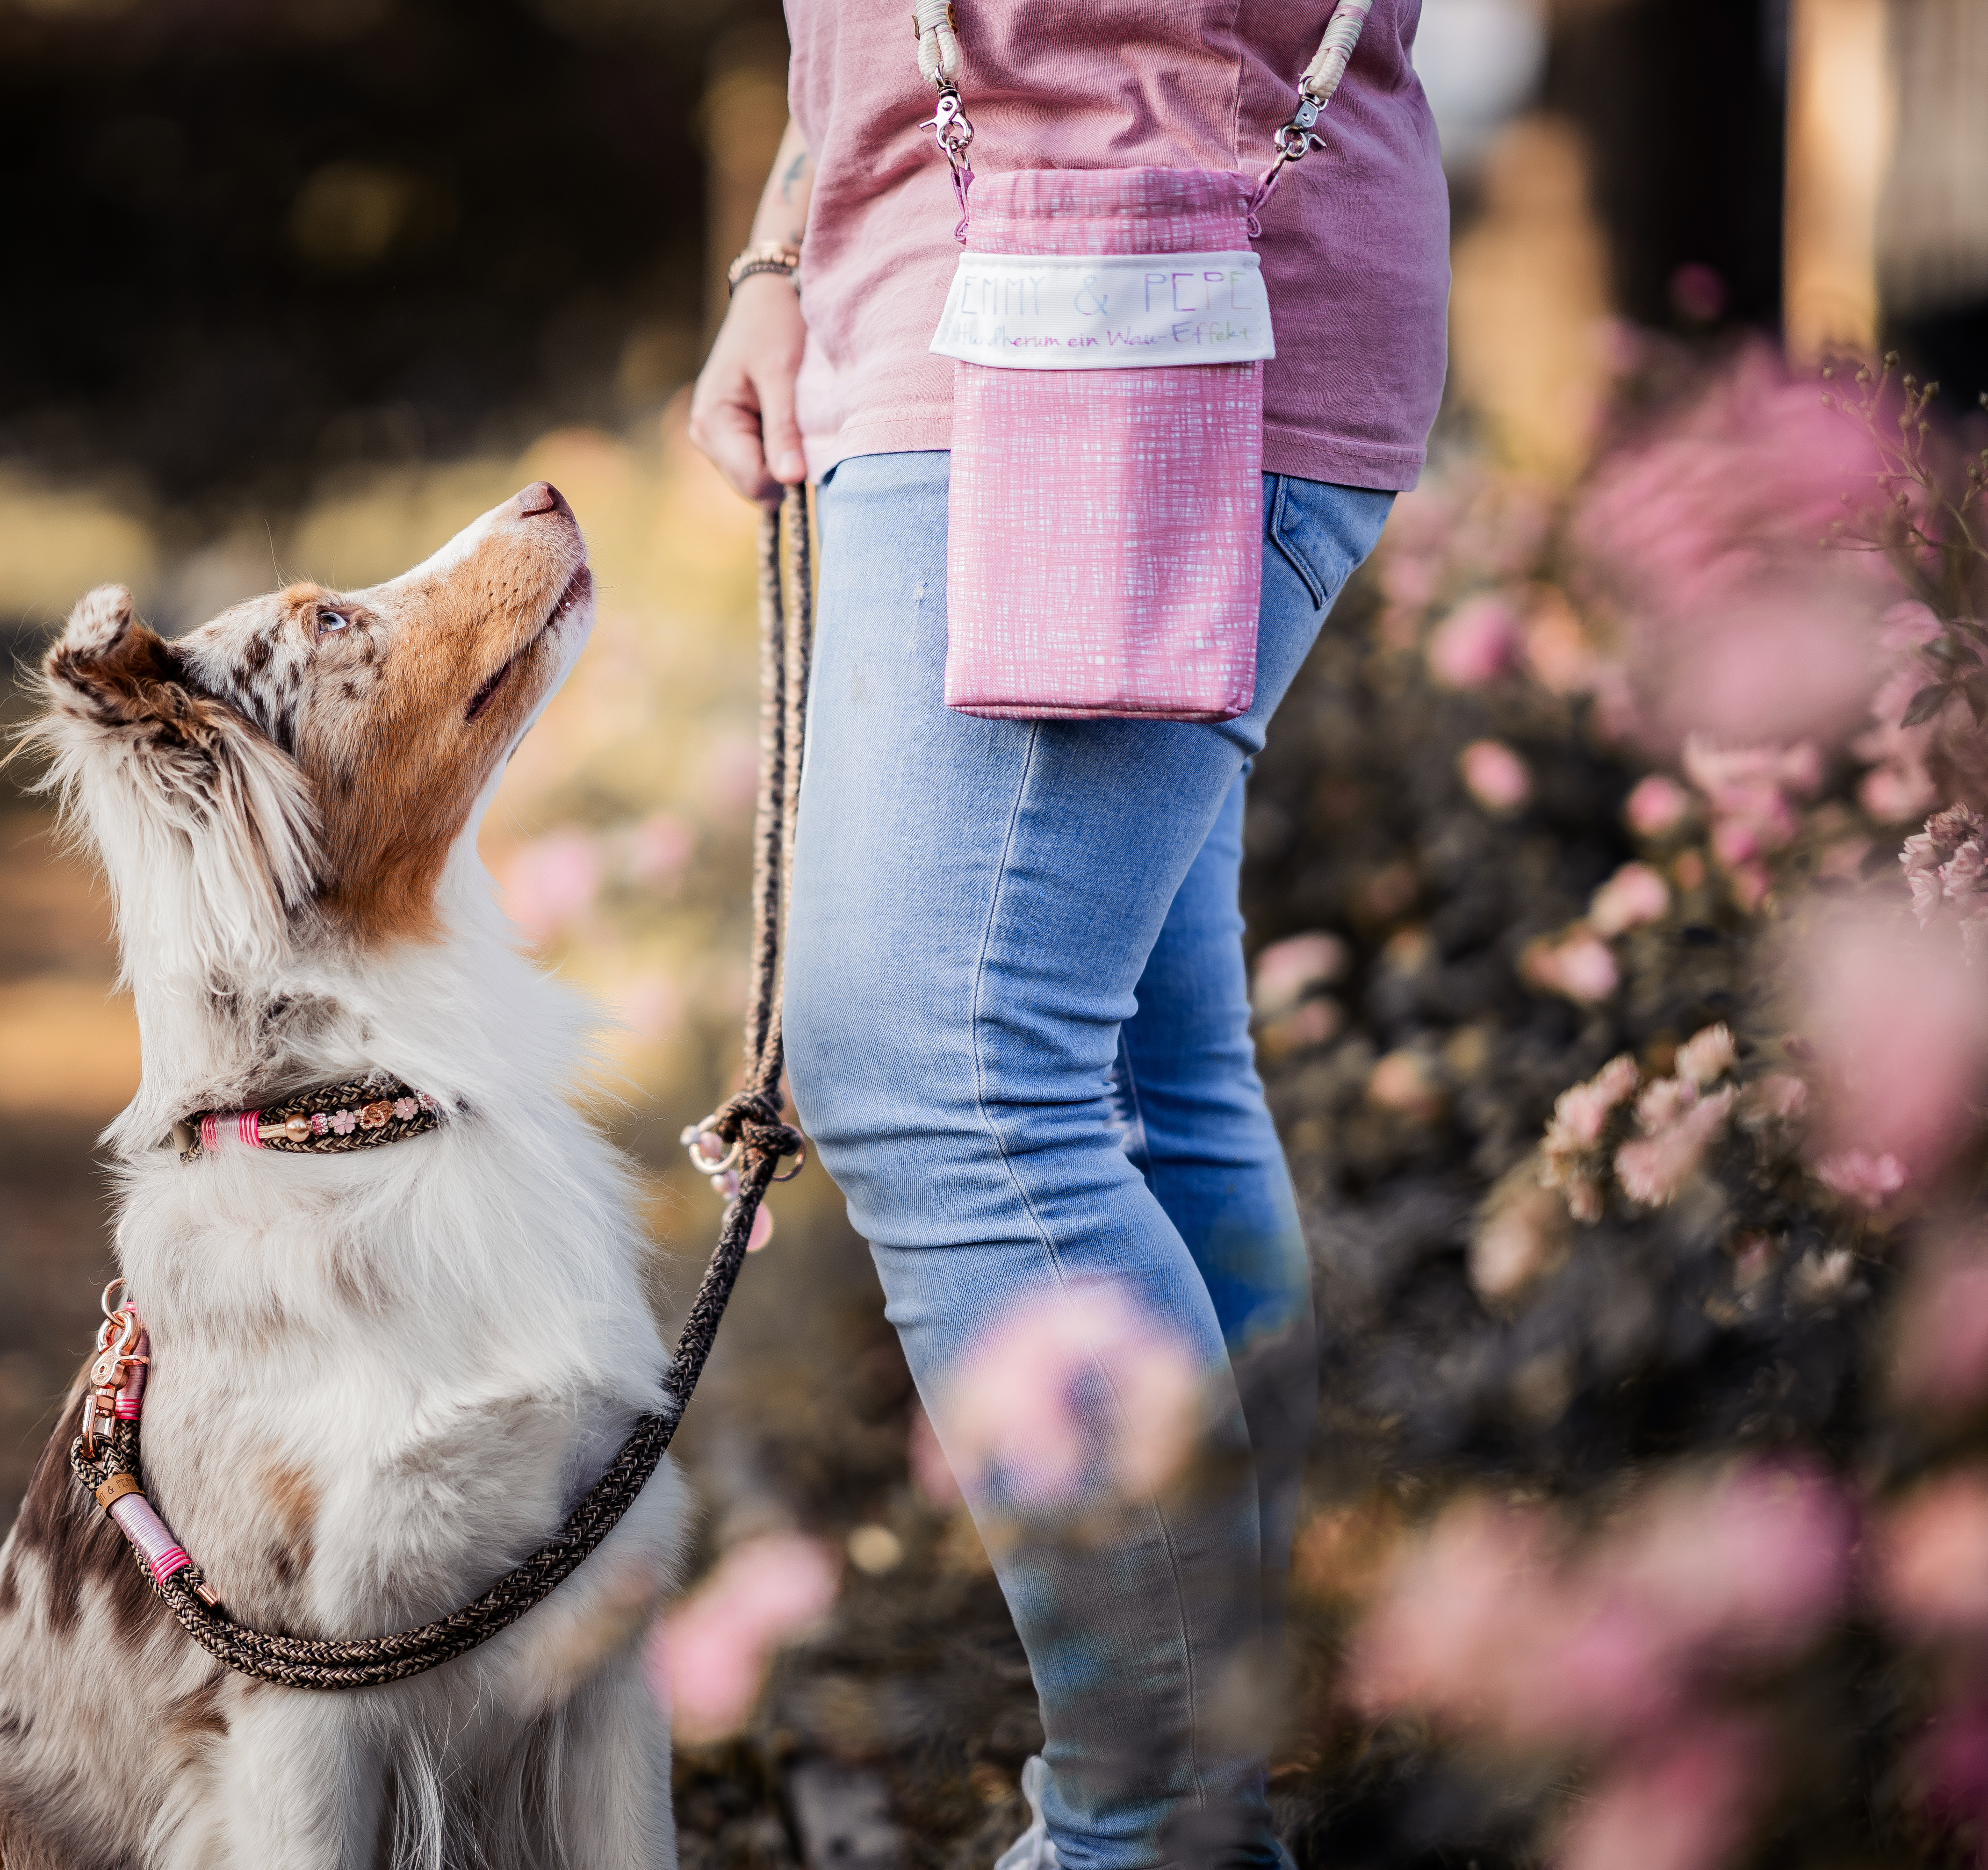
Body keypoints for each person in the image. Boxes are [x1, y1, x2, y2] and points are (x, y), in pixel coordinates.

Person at [688, 5, 1448, 1867]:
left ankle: (1141, 1834)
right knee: (1137, 1066)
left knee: (947, 1071)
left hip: (1115, 270)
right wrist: (797, 233)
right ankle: (1205, 1808)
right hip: (992, 269)